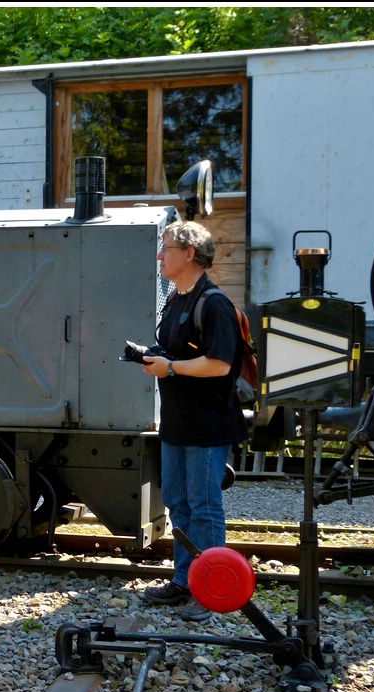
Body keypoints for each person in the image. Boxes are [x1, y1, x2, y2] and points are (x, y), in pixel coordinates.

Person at [140, 220, 248, 621]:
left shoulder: (214, 303)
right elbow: (175, 352)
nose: (159, 255)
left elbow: (219, 366)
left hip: (206, 427)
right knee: (179, 504)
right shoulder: (176, 298)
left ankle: (212, 590)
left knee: (204, 507)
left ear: (190, 254)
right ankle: (185, 580)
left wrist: (169, 368)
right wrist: (151, 356)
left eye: (165, 247)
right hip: (178, 424)